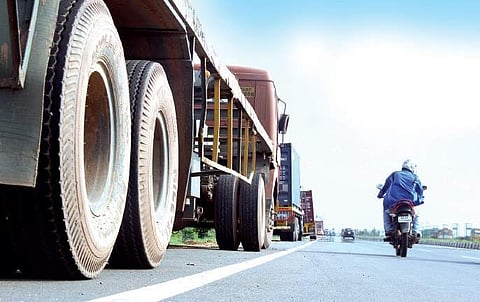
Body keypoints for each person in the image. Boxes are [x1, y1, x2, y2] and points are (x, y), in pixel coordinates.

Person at [377, 159, 425, 239]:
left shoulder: (395, 175)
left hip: (393, 202)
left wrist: (380, 194)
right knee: (417, 214)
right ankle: (416, 231)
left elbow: (386, 185)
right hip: (410, 203)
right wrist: (420, 201)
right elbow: (420, 192)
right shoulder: (415, 178)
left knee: (386, 212)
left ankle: (389, 230)